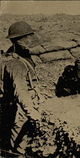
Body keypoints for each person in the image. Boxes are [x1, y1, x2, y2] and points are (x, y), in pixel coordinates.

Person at [0, 21, 43, 155]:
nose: (30, 39)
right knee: (18, 148)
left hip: (22, 107)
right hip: (19, 110)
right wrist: (32, 113)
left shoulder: (23, 57)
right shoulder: (15, 63)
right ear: (16, 40)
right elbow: (21, 91)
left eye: (30, 36)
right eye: (25, 37)